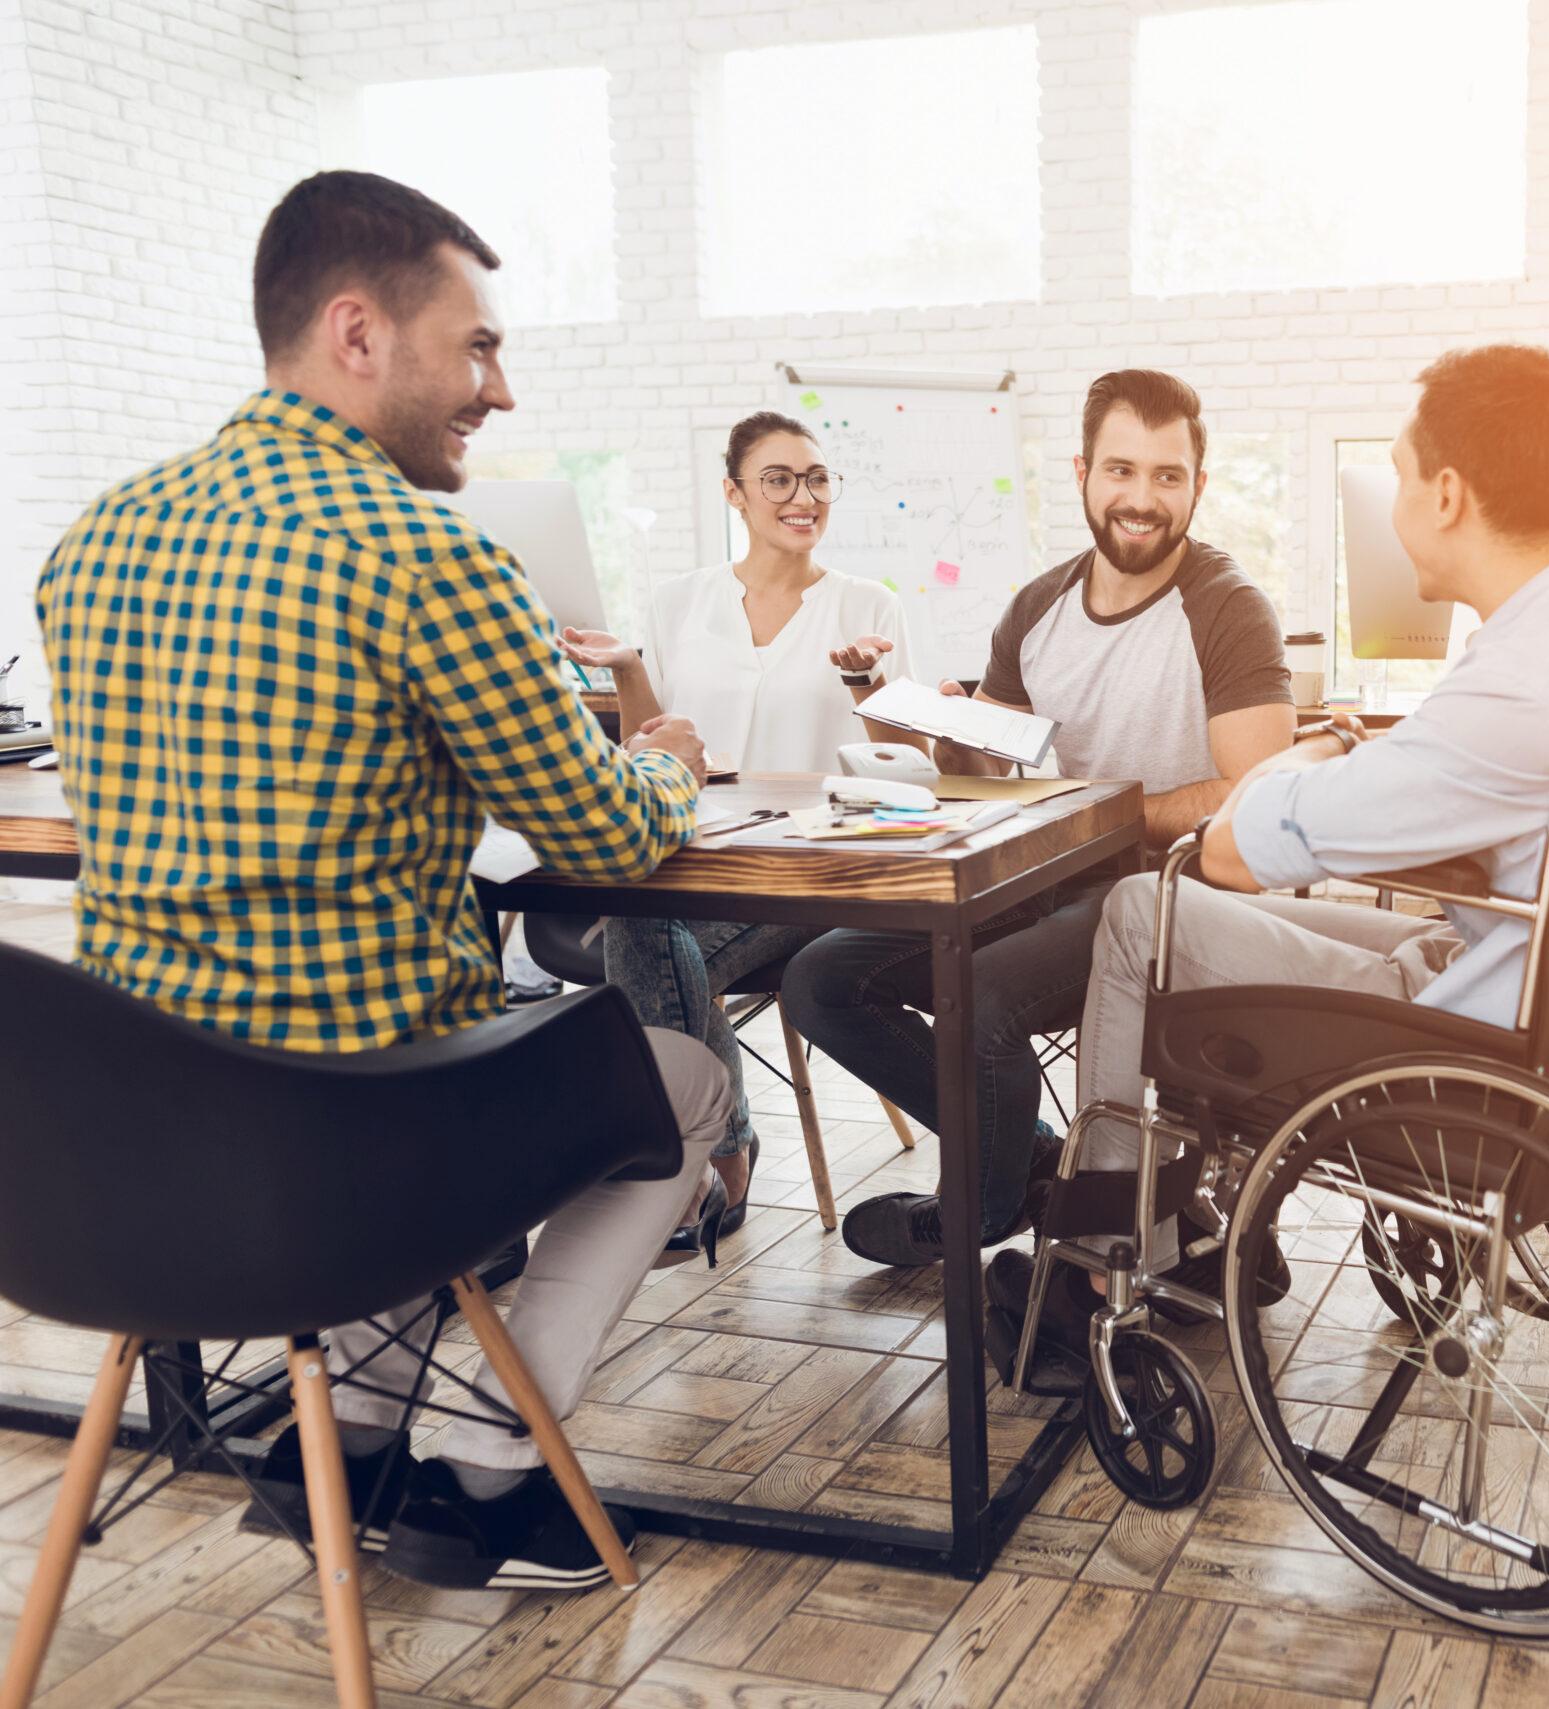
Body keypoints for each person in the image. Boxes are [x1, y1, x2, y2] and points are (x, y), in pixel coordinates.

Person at [33, 169, 728, 1593]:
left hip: (129, 1171)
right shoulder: (423, 556)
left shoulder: (87, 547)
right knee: (682, 1077)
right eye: (477, 347)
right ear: (358, 332)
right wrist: (664, 754)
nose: (501, 390)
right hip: (354, 1162)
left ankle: (332, 1453)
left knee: (366, 1054)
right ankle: (485, 1462)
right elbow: (599, 835)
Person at [985, 344, 1549, 1365]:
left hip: (1482, 1047)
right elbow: (1488, 791)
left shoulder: (1519, 685)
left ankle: (1099, 1264)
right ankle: (1192, 1219)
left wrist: (1319, 745)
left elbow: (1238, 848)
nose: (1390, 503)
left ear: (1444, 493)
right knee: (1230, 921)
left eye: (1394, 473)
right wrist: (1359, 771)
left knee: (1142, 911)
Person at [782, 369, 1294, 1270]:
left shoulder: (1225, 607)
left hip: (1175, 894)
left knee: (978, 999)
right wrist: (948, 735)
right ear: (1084, 472)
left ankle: (974, 1210)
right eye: (1122, 470)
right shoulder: (1036, 609)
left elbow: (1257, 792)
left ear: (1198, 487)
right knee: (821, 979)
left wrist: (1098, 810)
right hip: (1054, 875)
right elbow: (987, 778)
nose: (1142, 499)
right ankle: (1025, 1166)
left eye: (1168, 476)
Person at [553, 412, 910, 1253]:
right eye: (779, 479)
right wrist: (632, 670)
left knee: (633, 955)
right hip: (698, 860)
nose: (802, 496)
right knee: (644, 923)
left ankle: (701, 1158)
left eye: (817, 478)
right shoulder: (681, 600)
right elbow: (655, 744)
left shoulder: (868, 603)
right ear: (734, 494)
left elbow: (911, 767)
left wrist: (867, 683)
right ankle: (722, 1144)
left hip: (816, 871)